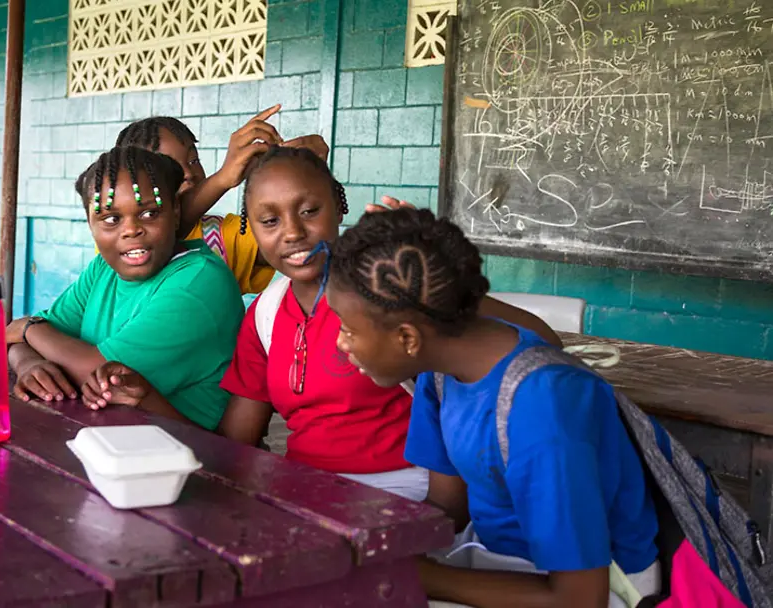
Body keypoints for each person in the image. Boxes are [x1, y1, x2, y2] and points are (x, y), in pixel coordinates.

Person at [325, 207, 661, 608]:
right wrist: (363, 542)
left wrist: (425, 577)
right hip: (502, 561)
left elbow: (579, 599)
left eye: (347, 328)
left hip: (601, 588)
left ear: (407, 338)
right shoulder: (441, 374)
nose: (340, 344)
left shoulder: (541, 409)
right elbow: (449, 507)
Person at [217, 146, 563, 501]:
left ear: (339, 208)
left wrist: (437, 282)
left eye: (309, 211)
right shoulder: (266, 313)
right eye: (270, 221)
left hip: (403, 489)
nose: (292, 232)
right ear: (251, 229)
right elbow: (236, 439)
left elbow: (543, 344)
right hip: (303, 489)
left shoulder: (390, 293)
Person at [6, 145, 243, 431]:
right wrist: (28, 364)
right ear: (91, 226)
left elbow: (98, 373)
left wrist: (30, 327)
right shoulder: (104, 269)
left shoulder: (199, 282)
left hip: (186, 457)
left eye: (149, 214)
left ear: (176, 212)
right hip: (106, 441)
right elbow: (17, 340)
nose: (131, 230)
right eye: (110, 219)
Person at [112, 106, 328, 295]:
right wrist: (223, 178)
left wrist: (307, 174)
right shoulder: (120, 233)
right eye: (171, 166)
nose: (188, 172)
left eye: (193, 160)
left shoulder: (222, 235)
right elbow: (164, 230)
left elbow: (294, 243)